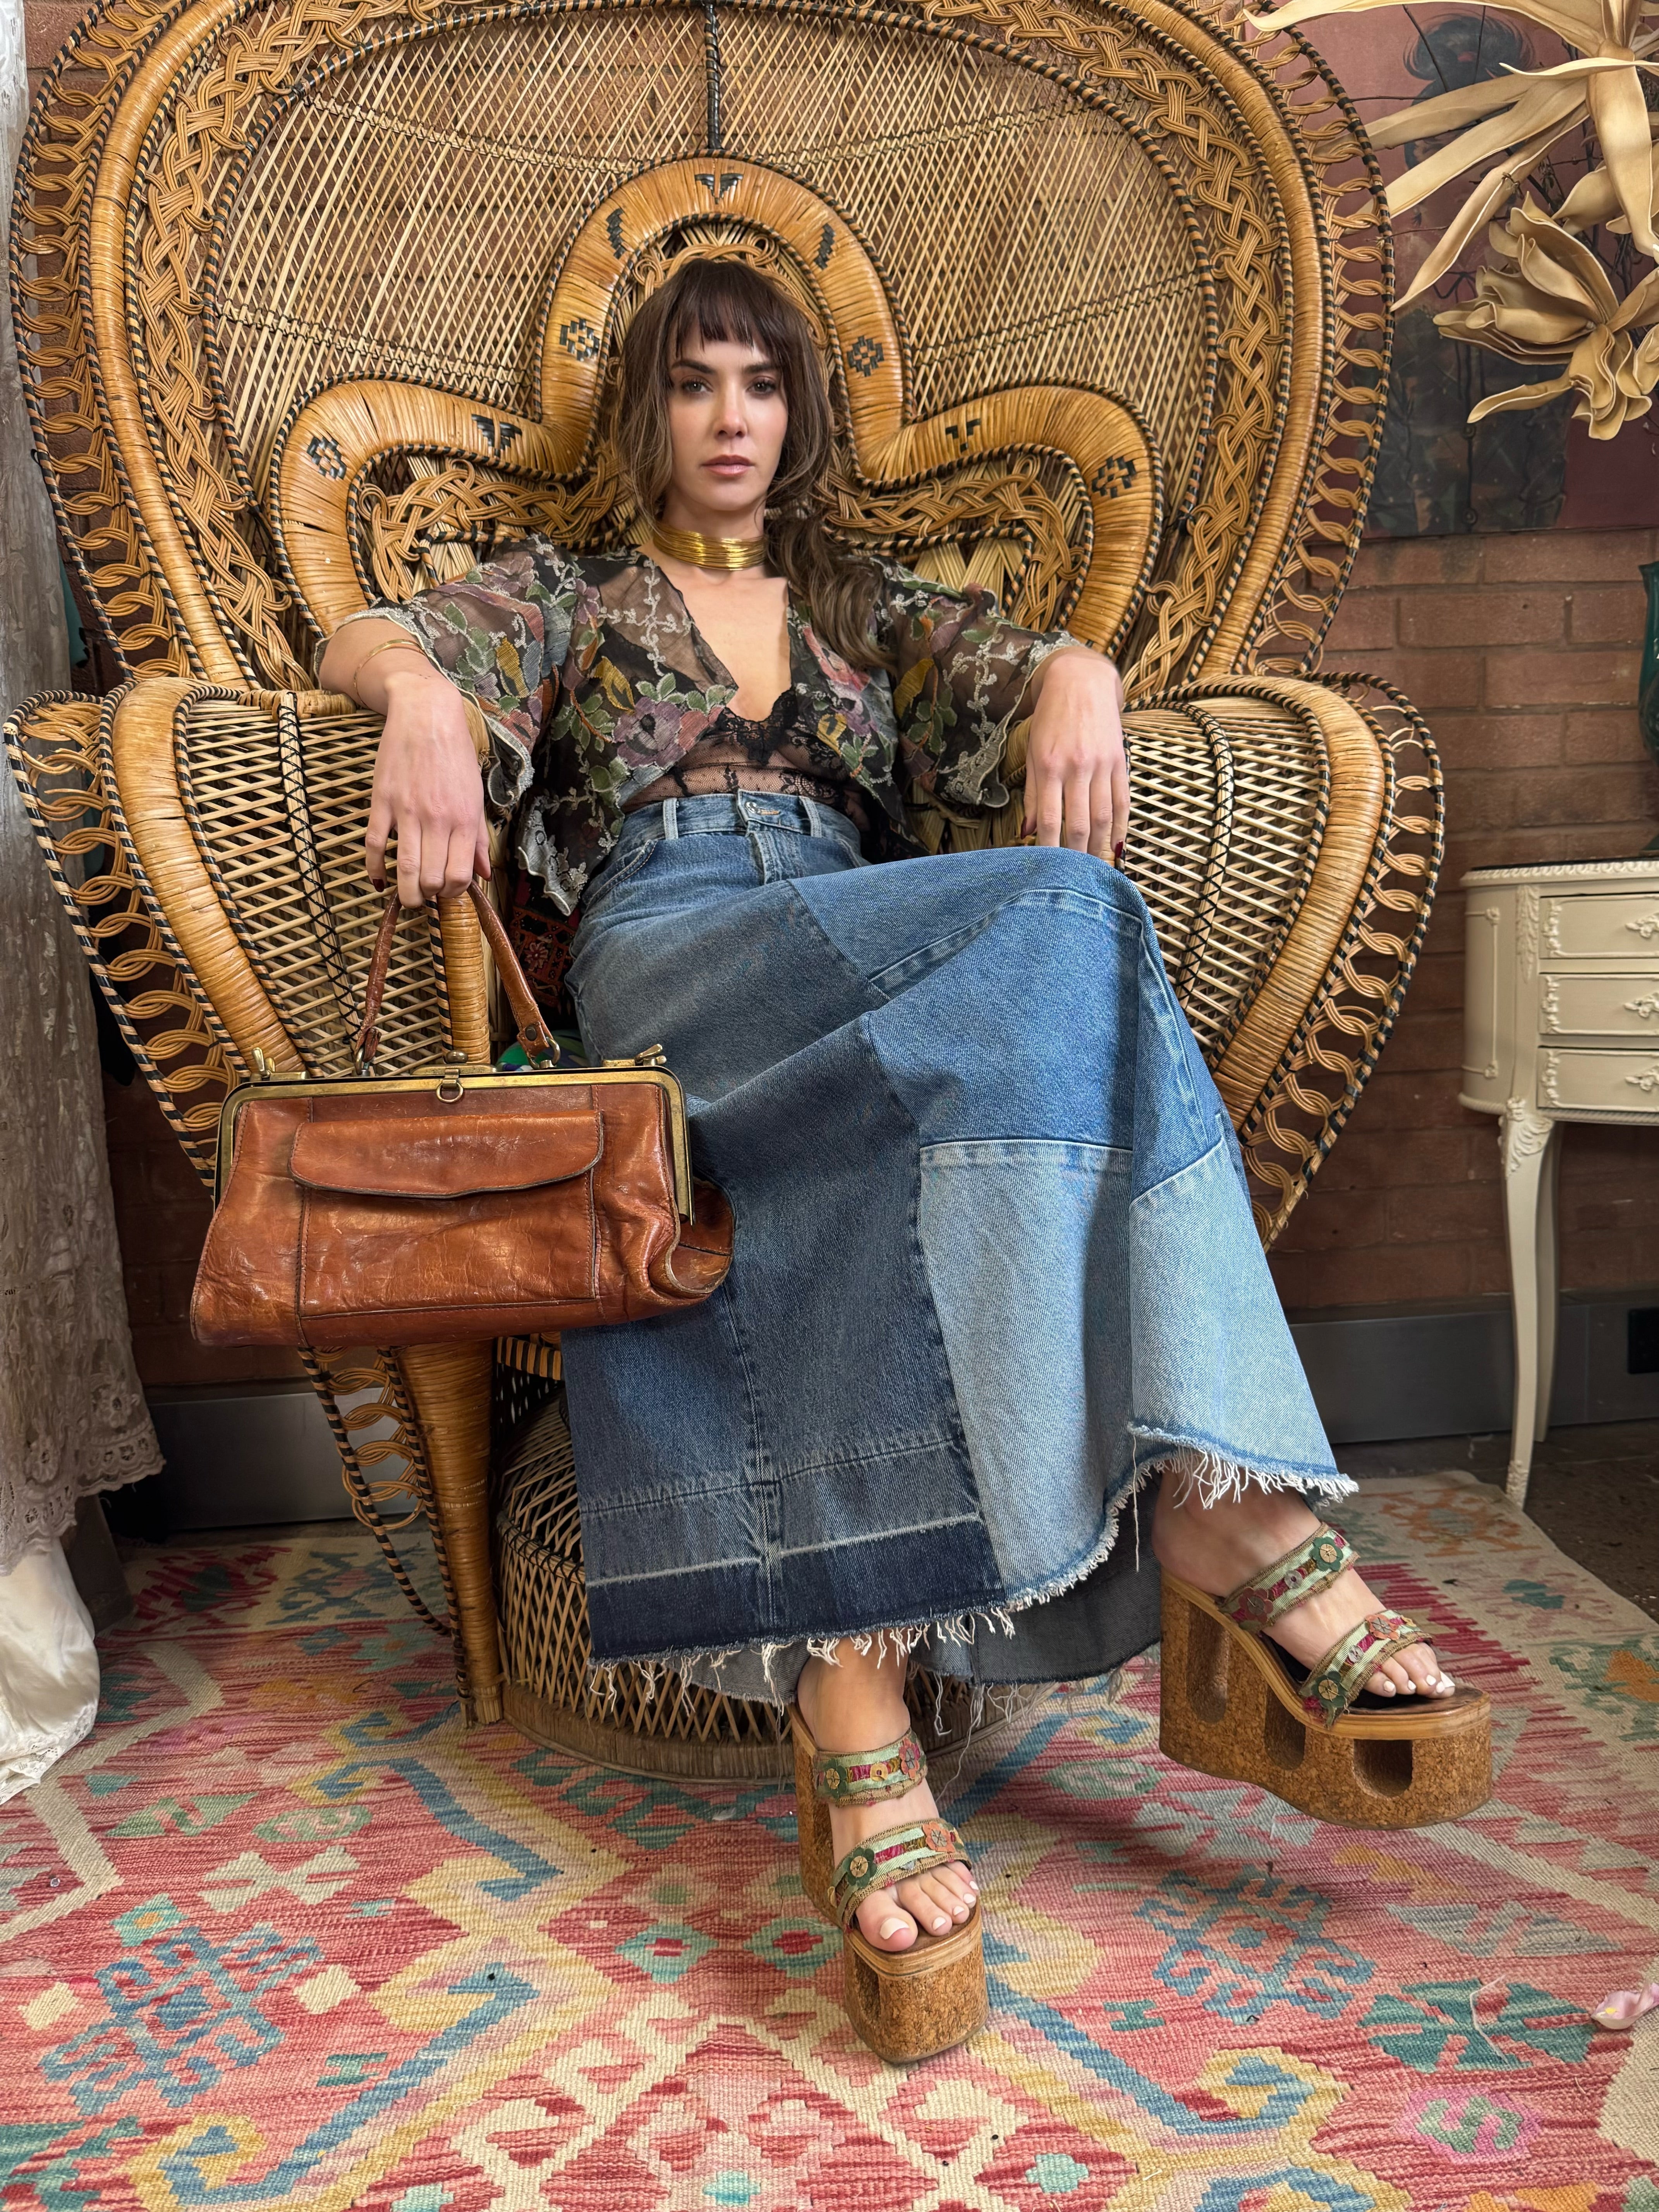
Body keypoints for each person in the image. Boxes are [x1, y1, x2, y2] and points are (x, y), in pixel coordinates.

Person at [318, 254, 1486, 2061]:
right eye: (695, 381)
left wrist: (1083, 672)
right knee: (1067, 916)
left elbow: (1017, 672)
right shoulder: (564, 592)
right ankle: (1224, 1509)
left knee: (1011, 1005)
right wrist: (414, 696)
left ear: (801, 413)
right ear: (651, 409)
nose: (729, 418)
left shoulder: (863, 605)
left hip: (865, 952)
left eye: (761, 384)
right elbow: (358, 639)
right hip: (674, 953)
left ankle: (857, 1695)